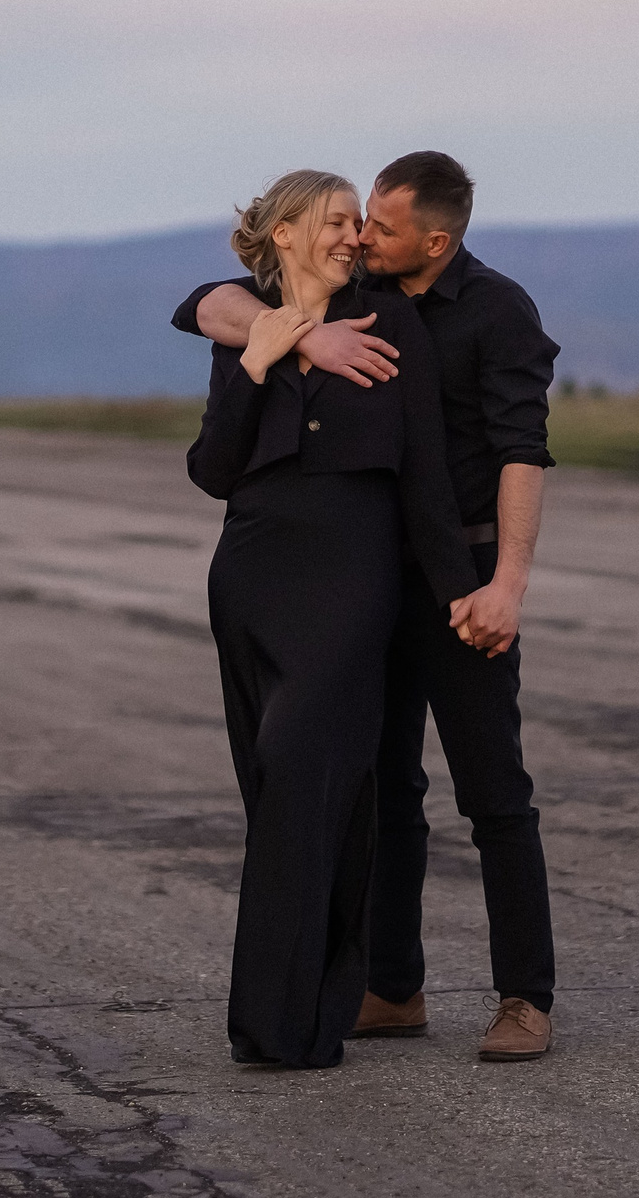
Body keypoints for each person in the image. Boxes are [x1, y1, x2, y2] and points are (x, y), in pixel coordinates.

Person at [174, 151, 561, 1063]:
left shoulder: (436, 318)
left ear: (433, 239)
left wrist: (486, 588)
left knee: (484, 789)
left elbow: (467, 463)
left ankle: (522, 999)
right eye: (348, 222)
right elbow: (210, 426)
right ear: (290, 232)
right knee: (367, 793)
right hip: (275, 584)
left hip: (415, 576)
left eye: (373, 225)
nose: (361, 238)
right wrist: (284, 340)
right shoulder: (258, 319)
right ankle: (387, 988)